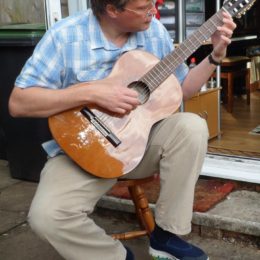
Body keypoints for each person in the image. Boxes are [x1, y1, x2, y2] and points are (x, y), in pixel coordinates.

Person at [8, 1, 236, 259]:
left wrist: (215, 55)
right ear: (112, 9)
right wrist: (91, 91)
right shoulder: (65, 36)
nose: (153, 11)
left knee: (192, 126)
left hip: (139, 145)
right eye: (143, 7)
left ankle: (166, 236)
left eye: (153, 3)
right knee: (46, 216)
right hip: (83, 148)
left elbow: (182, 89)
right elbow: (19, 103)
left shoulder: (154, 31)